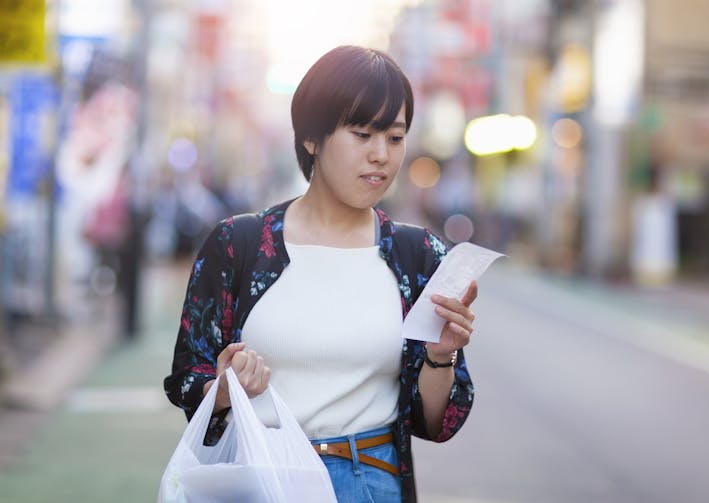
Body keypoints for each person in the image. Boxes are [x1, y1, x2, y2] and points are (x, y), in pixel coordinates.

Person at [164, 45, 478, 503]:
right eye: (362, 134)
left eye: (394, 137)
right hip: (260, 480)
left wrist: (441, 356)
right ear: (312, 138)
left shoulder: (419, 255)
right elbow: (186, 378)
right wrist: (226, 387)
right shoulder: (239, 245)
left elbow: (434, 422)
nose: (381, 155)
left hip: (369, 481)